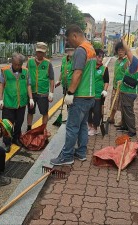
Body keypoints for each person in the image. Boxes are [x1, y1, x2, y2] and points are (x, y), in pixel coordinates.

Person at [50, 25, 96, 165]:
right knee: (82, 126)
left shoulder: (81, 50)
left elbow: (78, 73)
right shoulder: (91, 48)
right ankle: (81, 152)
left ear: (75, 35)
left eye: (69, 39)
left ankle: (67, 156)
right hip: (90, 95)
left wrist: (70, 92)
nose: (68, 43)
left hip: (80, 96)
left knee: (71, 127)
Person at [0, 53, 35, 150]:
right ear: (12, 63)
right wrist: (0, 99)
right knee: (7, 124)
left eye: (19, 65)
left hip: (21, 103)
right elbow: (1, 85)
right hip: (9, 103)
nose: (17, 67)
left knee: (19, 122)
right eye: (15, 64)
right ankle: (7, 142)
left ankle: (16, 138)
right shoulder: (5, 71)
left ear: (22, 64)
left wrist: (31, 98)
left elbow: (28, 85)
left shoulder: (26, 72)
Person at [116, 40, 138, 137]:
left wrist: (123, 41)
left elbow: (128, 51)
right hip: (129, 89)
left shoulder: (135, 62)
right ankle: (125, 126)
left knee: (128, 111)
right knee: (124, 109)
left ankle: (132, 130)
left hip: (128, 91)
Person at [26, 42, 55, 131]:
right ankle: (29, 128)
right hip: (32, 93)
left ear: (45, 52)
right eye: (38, 52)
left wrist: (51, 93)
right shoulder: (30, 61)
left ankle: (43, 130)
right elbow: (26, 75)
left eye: (42, 52)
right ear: (36, 51)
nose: (40, 54)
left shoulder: (48, 63)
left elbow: (51, 79)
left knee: (44, 113)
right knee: (30, 112)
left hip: (43, 93)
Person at [88, 48, 109, 136]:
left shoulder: (104, 69)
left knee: (97, 111)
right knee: (88, 110)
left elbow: (106, 81)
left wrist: (104, 90)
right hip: (89, 93)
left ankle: (95, 128)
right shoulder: (89, 67)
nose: (100, 58)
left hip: (98, 94)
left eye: (102, 57)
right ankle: (89, 125)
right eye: (98, 56)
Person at [109, 42, 129, 126]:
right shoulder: (117, 61)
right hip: (115, 86)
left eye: (122, 50)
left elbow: (128, 73)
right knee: (113, 102)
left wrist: (122, 81)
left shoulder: (127, 61)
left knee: (121, 105)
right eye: (119, 50)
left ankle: (122, 121)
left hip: (122, 87)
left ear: (125, 51)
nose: (120, 52)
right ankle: (111, 118)